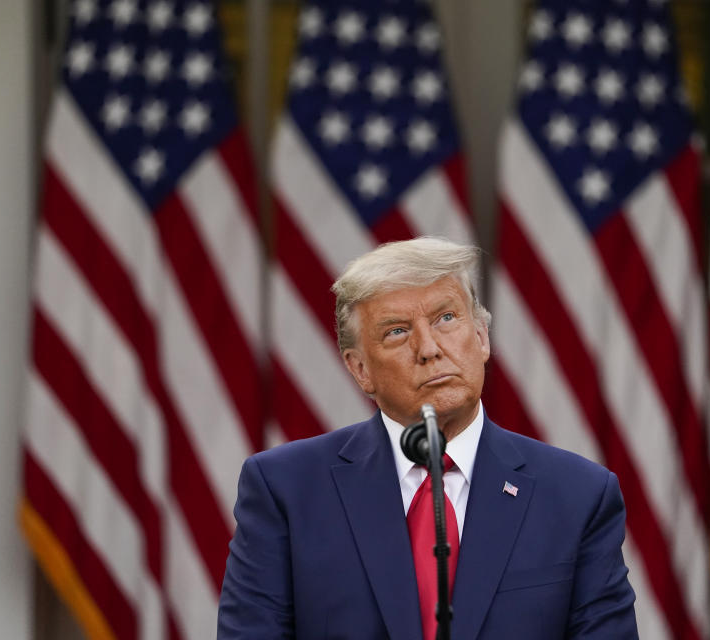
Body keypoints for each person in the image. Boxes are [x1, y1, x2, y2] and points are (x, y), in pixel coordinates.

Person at [218, 237, 638, 639]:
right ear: (360, 368)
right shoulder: (285, 490)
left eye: (446, 318)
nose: (429, 348)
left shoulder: (578, 495)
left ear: (481, 337)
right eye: (397, 331)